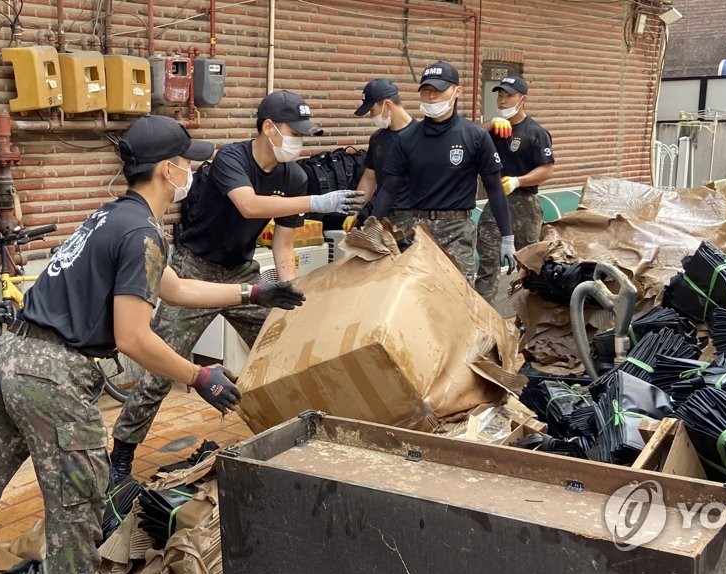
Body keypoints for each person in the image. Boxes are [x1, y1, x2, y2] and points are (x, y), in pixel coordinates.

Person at [0, 115, 304, 574]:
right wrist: (198, 376)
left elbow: (173, 287)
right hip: (52, 378)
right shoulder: (142, 233)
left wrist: (253, 292)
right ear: (166, 170)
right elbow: (133, 337)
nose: (192, 174)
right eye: (187, 163)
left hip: (6, 358)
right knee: (77, 515)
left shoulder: (112, 215)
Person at [108, 91, 364, 482]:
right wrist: (316, 201)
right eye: (295, 133)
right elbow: (248, 205)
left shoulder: (294, 176)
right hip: (193, 269)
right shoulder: (232, 158)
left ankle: (294, 432)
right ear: (268, 128)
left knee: (285, 344)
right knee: (159, 370)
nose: (300, 142)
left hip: (242, 272)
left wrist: (286, 289)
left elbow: (283, 243)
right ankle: (122, 456)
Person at [371, 61, 516, 283]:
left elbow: (494, 189)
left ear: (457, 91)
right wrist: (372, 225)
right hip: (417, 231)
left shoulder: (475, 136)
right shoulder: (407, 139)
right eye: (426, 91)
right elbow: (389, 189)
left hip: (457, 231)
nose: (431, 97)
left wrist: (507, 236)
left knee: (459, 299)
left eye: (438, 90)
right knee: (417, 298)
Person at [475, 75, 555, 306]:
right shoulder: (493, 129)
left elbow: (548, 169)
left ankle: (533, 315)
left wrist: (519, 180)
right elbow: (464, 135)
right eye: (500, 95)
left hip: (524, 204)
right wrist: (490, 124)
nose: (502, 101)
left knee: (530, 264)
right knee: (488, 262)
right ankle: (482, 314)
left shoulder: (534, 132)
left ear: (522, 100)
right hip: (496, 203)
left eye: (508, 96)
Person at [353, 78, 418, 230]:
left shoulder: (421, 136)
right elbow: (369, 179)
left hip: (414, 217)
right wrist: (354, 211)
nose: (371, 116)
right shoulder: (377, 139)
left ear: (388, 104)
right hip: (383, 216)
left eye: (372, 110)